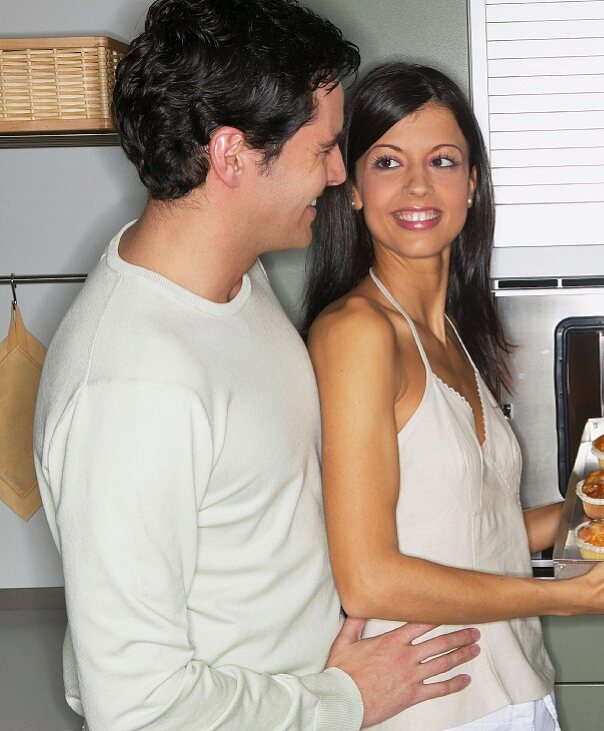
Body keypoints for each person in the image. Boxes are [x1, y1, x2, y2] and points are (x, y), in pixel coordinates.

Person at [32, 3, 480, 729]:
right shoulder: (132, 386)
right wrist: (345, 699)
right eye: (323, 149)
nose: (339, 175)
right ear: (233, 155)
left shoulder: (236, 282)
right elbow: (140, 708)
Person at [304, 62, 604, 731]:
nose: (418, 183)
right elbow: (368, 576)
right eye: (388, 162)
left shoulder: (450, 336)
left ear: (472, 184)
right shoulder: (358, 332)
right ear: (353, 188)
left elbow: (476, 527)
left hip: (513, 687)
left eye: (443, 160)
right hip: (434, 706)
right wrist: (576, 596)